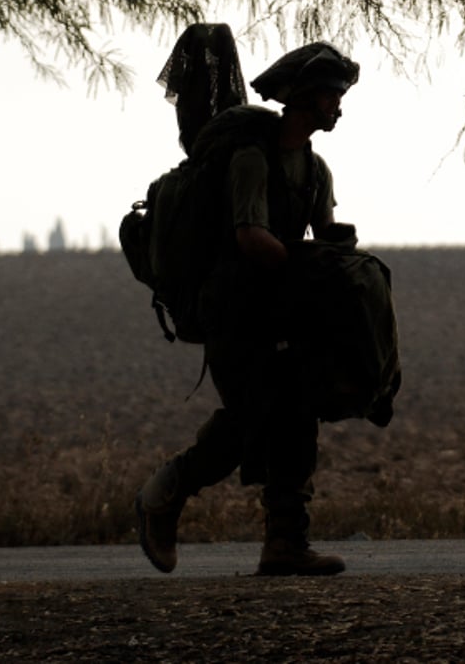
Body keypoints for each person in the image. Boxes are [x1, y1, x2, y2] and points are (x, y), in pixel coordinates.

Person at [135, 40, 361, 577]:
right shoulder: (251, 161)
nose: (338, 106)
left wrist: (340, 254)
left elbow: (324, 232)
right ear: (306, 98)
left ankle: (286, 544)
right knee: (252, 417)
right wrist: (305, 266)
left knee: (297, 414)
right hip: (236, 311)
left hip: (282, 309)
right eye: (331, 95)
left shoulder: (316, 167)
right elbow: (251, 236)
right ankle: (162, 495)